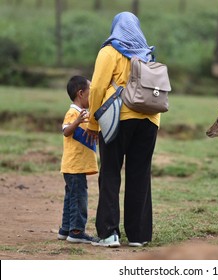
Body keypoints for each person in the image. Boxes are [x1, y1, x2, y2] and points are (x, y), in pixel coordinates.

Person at [85, 12, 160, 248]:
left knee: (110, 173)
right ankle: (139, 236)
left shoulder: (109, 51)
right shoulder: (147, 53)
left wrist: (93, 123)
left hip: (117, 118)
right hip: (150, 120)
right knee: (140, 175)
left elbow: (96, 88)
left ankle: (109, 233)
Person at [58, 76, 99, 243]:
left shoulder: (83, 114)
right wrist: (77, 121)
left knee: (71, 198)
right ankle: (76, 232)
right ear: (81, 93)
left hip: (75, 166)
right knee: (79, 198)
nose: (93, 96)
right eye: (91, 93)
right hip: (74, 166)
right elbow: (66, 131)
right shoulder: (73, 113)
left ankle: (65, 229)